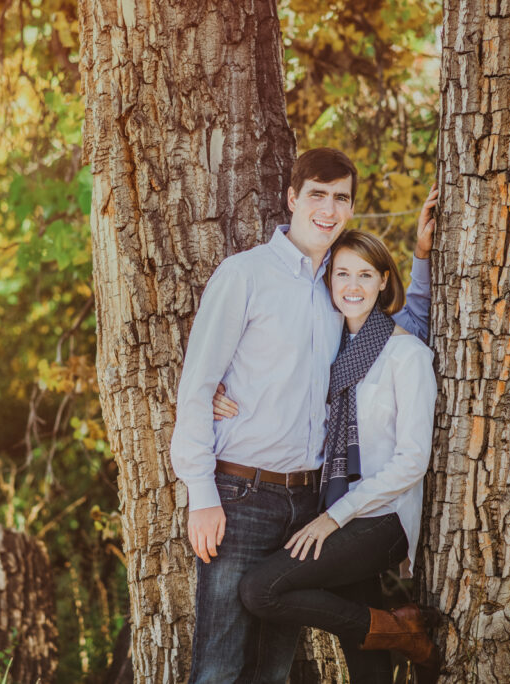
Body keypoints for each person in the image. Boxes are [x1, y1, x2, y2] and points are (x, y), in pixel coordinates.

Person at [169, 146, 438, 683]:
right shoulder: (245, 275)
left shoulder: (337, 288)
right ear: (292, 198)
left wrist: (423, 258)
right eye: (317, 194)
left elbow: (402, 330)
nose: (329, 208)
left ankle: (388, 631)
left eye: (341, 198)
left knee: (272, 669)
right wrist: (201, 493)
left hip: (311, 498)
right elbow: (197, 385)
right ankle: (388, 629)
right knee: (219, 665)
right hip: (241, 496)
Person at [235, 229, 439, 683]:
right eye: (342, 273)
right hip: (334, 507)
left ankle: (402, 633)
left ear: (384, 280)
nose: (352, 285)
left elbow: (412, 460)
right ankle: (394, 632)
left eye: (365, 274)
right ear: (329, 281)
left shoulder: (406, 354)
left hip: (381, 518)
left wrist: (334, 518)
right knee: (365, 664)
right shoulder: (328, 353)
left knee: (260, 589)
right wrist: (221, 394)